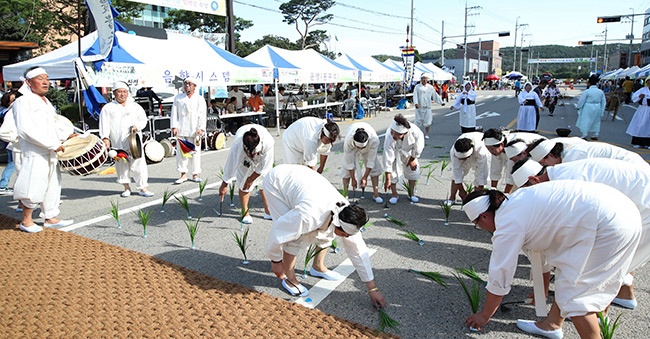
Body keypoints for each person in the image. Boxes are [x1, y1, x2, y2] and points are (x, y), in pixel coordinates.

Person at [462, 182, 640, 338]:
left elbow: (500, 274)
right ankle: (552, 324)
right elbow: (539, 256)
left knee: (576, 296)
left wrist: (485, 315)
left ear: (484, 216)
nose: (481, 228)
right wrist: (543, 292)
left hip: (607, 225)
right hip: (625, 212)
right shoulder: (517, 201)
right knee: (570, 278)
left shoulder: (508, 224)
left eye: (477, 224)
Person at [512, 158, 650, 311]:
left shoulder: (567, 184)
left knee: (598, 268)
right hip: (632, 204)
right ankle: (623, 297)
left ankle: (586, 314)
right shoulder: (560, 173)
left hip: (643, 208)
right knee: (618, 264)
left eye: (529, 190)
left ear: (534, 179)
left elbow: (574, 236)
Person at [263, 164, 386, 309]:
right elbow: (280, 231)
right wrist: (276, 260)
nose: (346, 237)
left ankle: (318, 267)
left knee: (327, 234)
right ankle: (290, 279)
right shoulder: (308, 215)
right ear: (339, 224)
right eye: (345, 234)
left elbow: (358, 251)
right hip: (277, 183)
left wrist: (372, 288)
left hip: (303, 180)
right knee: (293, 237)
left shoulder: (346, 212)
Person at [12, 66, 76, 233]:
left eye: (47, 78)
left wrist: (67, 134)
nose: (45, 82)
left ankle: (50, 217)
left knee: (53, 185)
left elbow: (54, 123)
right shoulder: (22, 101)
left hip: (51, 150)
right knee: (33, 184)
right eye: (40, 78)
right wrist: (51, 144)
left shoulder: (46, 102)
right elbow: (26, 130)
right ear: (28, 82)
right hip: (36, 151)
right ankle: (26, 221)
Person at [99, 81, 154, 198]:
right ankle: (126, 187)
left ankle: (143, 187)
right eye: (119, 92)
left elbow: (143, 120)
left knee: (139, 163)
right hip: (118, 141)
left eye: (124, 92)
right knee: (122, 165)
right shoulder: (108, 108)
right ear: (114, 93)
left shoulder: (135, 106)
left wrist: (136, 126)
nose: (122, 94)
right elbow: (104, 124)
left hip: (134, 142)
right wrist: (105, 137)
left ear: (128, 93)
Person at [219, 124, 274, 224]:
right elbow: (231, 165)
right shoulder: (237, 145)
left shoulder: (268, 142)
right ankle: (245, 211)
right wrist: (224, 185)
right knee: (243, 181)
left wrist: (251, 179)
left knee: (265, 181)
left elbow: (264, 167)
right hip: (244, 158)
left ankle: (268, 210)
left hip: (263, 156)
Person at [482, 128, 544, 194]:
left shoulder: (513, 149)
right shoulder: (496, 150)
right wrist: (493, 190)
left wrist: (505, 196)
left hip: (540, 153)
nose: (490, 151)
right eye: (488, 149)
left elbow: (510, 176)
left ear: (502, 145)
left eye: (492, 149)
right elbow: (495, 170)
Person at [171, 76, 207, 184]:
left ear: (194, 86)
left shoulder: (199, 99)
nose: (187, 85)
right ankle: (183, 174)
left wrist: (201, 128)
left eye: (189, 84)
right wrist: (174, 126)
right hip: (182, 129)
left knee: (195, 153)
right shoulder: (178, 98)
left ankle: (195, 174)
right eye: (186, 83)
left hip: (194, 130)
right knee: (182, 153)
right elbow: (174, 113)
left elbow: (202, 115)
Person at [383, 114, 424, 204]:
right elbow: (388, 157)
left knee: (413, 171)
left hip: (409, 153)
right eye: (392, 132)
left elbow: (418, 147)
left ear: (404, 133)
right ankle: (394, 194)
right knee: (393, 172)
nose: (393, 135)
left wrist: (412, 159)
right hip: (395, 152)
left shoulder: (415, 131)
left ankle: (411, 193)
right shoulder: (389, 136)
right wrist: (387, 178)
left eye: (397, 134)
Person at [529, 138, 648, 168]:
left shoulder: (573, 159)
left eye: (544, 164)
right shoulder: (566, 150)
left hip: (632, 167)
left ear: (550, 155)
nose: (548, 167)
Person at [341, 122, 383, 204]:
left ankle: (376, 194)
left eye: (362, 147)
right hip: (352, 147)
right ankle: (345, 193)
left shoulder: (374, 140)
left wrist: (364, 177)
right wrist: (353, 178)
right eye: (358, 147)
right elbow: (349, 162)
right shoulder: (348, 141)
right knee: (346, 169)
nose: (360, 149)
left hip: (369, 148)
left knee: (375, 168)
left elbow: (371, 161)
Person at [446, 131, 489, 205]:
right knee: (455, 176)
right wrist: (461, 190)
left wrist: (479, 189)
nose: (462, 160)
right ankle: (452, 197)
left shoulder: (482, 151)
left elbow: (482, 172)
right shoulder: (454, 152)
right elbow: (457, 172)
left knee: (479, 177)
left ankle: (476, 200)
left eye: (464, 158)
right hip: (465, 154)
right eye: (460, 159)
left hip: (479, 156)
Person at [0, 89, 20, 194]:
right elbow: (3, 132)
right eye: (13, 100)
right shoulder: (8, 111)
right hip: (12, 142)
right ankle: (3, 184)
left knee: (13, 164)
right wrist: (16, 139)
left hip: (12, 142)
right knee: (13, 164)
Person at [576, 75, 606, 140]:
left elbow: (582, 100)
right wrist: (602, 110)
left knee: (586, 120)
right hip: (598, 107)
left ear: (589, 83)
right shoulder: (600, 92)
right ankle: (595, 134)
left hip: (588, 106)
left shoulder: (587, 91)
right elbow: (603, 102)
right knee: (596, 121)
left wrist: (578, 107)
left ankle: (584, 134)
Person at [413, 73, 442, 139]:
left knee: (427, 122)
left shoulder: (430, 87)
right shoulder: (417, 87)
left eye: (425, 79)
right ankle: (417, 134)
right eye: (423, 78)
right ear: (421, 79)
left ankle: (427, 134)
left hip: (427, 107)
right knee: (417, 121)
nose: (424, 80)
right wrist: (416, 103)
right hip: (419, 107)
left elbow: (435, 95)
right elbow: (415, 95)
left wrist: (441, 102)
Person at [627, 77, 650, 148]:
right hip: (643, 110)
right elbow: (634, 97)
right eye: (648, 82)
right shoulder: (643, 90)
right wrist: (640, 96)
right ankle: (639, 142)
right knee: (641, 125)